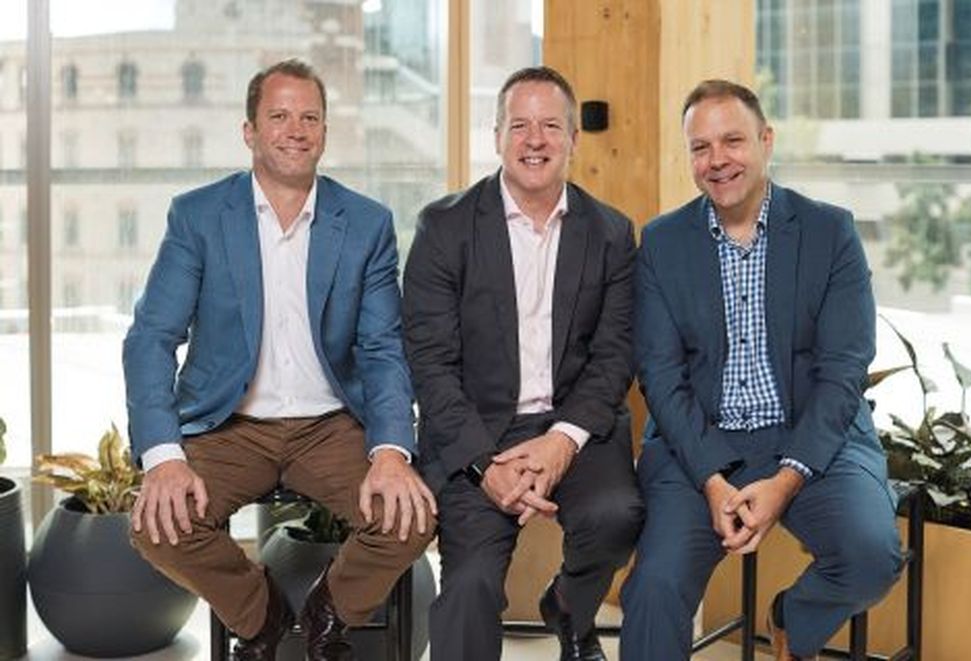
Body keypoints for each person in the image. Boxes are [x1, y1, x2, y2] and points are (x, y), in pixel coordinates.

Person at [123, 58, 436, 661]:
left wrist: (392, 451)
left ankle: (326, 616)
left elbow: (381, 349)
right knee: (154, 525)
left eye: (310, 117)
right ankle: (261, 616)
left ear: (324, 130)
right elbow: (150, 339)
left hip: (330, 426)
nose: (296, 129)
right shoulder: (199, 217)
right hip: (229, 426)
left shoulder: (366, 223)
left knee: (410, 519)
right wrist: (163, 457)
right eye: (279, 116)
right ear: (250, 131)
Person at [619, 79, 903, 661]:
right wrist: (712, 479)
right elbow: (662, 378)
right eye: (700, 147)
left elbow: (844, 371)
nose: (717, 160)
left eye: (733, 141)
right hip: (698, 446)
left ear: (766, 141)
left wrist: (788, 478)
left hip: (812, 439)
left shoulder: (830, 233)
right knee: (653, 589)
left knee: (871, 557)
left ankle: (791, 619)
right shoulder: (662, 243)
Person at [402, 65, 644, 661]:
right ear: (497, 137)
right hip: (477, 434)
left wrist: (562, 442)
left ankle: (567, 604)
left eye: (550, 126)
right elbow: (429, 363)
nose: (534, 140)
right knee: (469, 588)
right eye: (519, 126)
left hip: (573, 425)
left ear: (572, 140)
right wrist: (487, 466)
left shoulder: (612, 233)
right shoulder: (445, 227)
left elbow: (616, 354)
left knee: (617, 515)